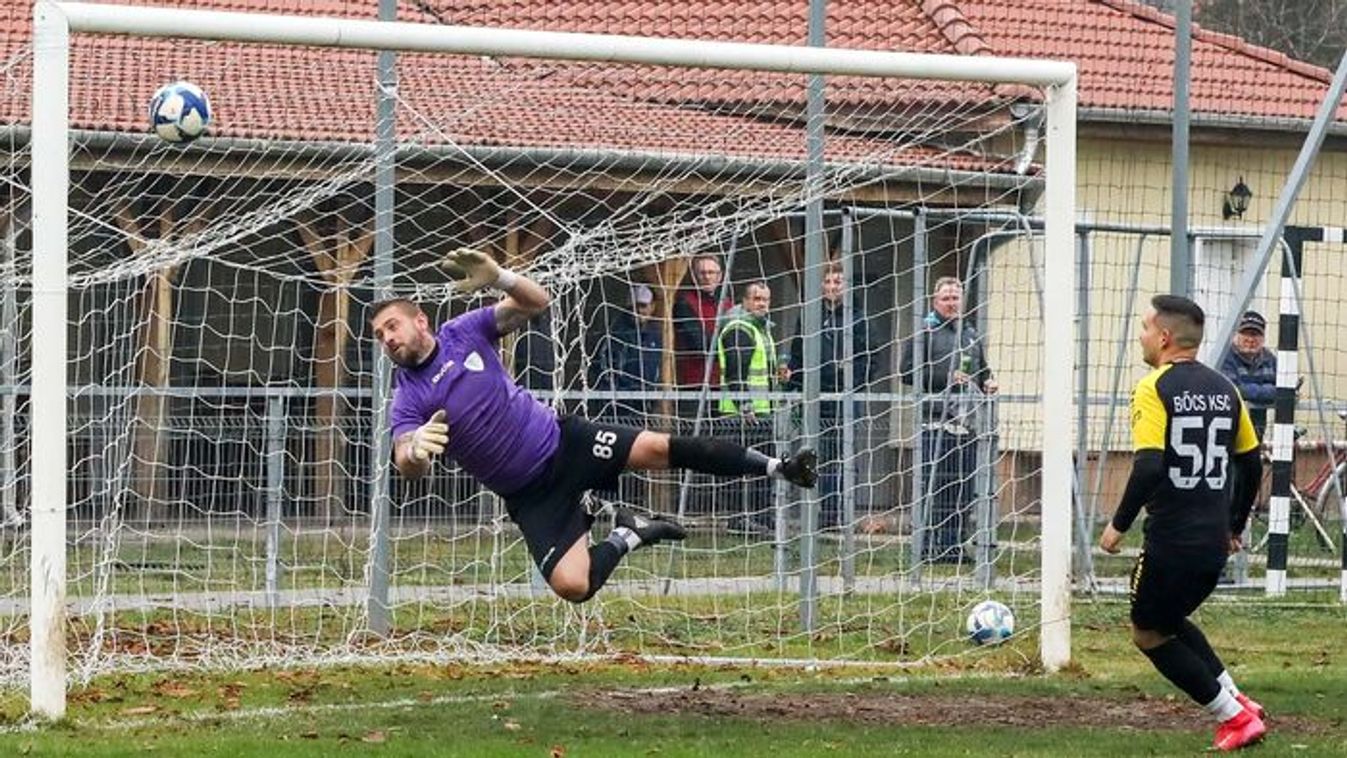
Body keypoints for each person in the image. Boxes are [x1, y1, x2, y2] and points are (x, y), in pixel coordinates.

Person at [373, 248, 817, 604]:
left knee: (661, 449)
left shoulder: (462, 332)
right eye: (379, 336)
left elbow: (536, 302)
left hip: (565, 442)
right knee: (573, 586)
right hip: (530, 493)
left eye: (392, 326)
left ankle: (780, 466)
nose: (388, 339)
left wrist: (500, 278)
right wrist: (414, 452)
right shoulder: (408, 394)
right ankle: (631, 532)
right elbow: (405, 457)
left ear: (420, 320)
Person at [1099, 295, 1267, 752]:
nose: (1141, 334)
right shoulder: (1226, 388)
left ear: (1165, 337)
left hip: (1172, 539)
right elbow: (1252, 464)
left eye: (1145, 327)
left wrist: (1118, 524)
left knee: (1148, 632)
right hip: (1212, 539)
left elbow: (1150, 466)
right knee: (1169, 618)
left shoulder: (1154, 387)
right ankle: (1237, 699)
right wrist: (1234, 525)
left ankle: (1232, 718)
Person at [899, 276, 997, 563]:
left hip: (966, 425)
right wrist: (946, 378)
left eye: (956, 298)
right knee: (933, 486)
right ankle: (927, 547)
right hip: (934, 423)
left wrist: (989, 382)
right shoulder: (924, 332)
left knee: (962, 488)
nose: (952, 303)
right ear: (935, 301)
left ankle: (953, 545)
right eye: (946, 298)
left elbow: (983, 370)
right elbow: (907, 373)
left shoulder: (970, 334)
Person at [784, 267, 874, 529]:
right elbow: (797, 353)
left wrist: (852, 383)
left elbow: (871, 358)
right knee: (814, 455)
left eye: (838, 281)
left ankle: (839, 513)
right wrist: (796, 387)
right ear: (821, 286)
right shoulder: (810, 317)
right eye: (828, 281)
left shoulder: (858, 318)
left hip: (845, 398)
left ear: (846, 287)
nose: (833, 286)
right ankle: (817, 512)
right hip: (816, 398)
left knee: (843, 457)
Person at [713, 280, 780, 533]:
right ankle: (738, 519)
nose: (762, 304)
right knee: (739, 469)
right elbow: (735, 371)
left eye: (766, 299)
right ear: (745, 301)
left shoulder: (761, 328)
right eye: (757, 299)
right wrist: (744, 404)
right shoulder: (739, 328)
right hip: (740, 414)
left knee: (764, 467)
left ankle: (762, 517)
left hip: (762, 412)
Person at [590, 284, 664, 418]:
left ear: (652, 306)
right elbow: (603, 368)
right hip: (618, 404)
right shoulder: (615, 333)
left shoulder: (655, 334)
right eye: (633, 306)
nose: (637, 311)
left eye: (643, 306)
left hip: (645, 404)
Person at [672, 254, 732, 392]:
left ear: (720, 276)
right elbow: (699, 344)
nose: (707, 277)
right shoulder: (684, 303)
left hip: (723, 382)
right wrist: (730, 345)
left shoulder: (727, 304)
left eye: (711, 273)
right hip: (694, 383)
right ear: (694, 276)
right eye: (702, 273)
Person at [1219, 310, 1276, 441]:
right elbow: (1234, 390)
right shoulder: (1225, 358)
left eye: (1255, 334)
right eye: (1245, 333)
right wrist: (1267, 391)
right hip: (1229, 430)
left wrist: (1249, 390)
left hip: (1257, 434)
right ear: (1236, 335)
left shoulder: (1270, 359)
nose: (1250, 340)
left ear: (1263, 338)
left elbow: (1284, 391)